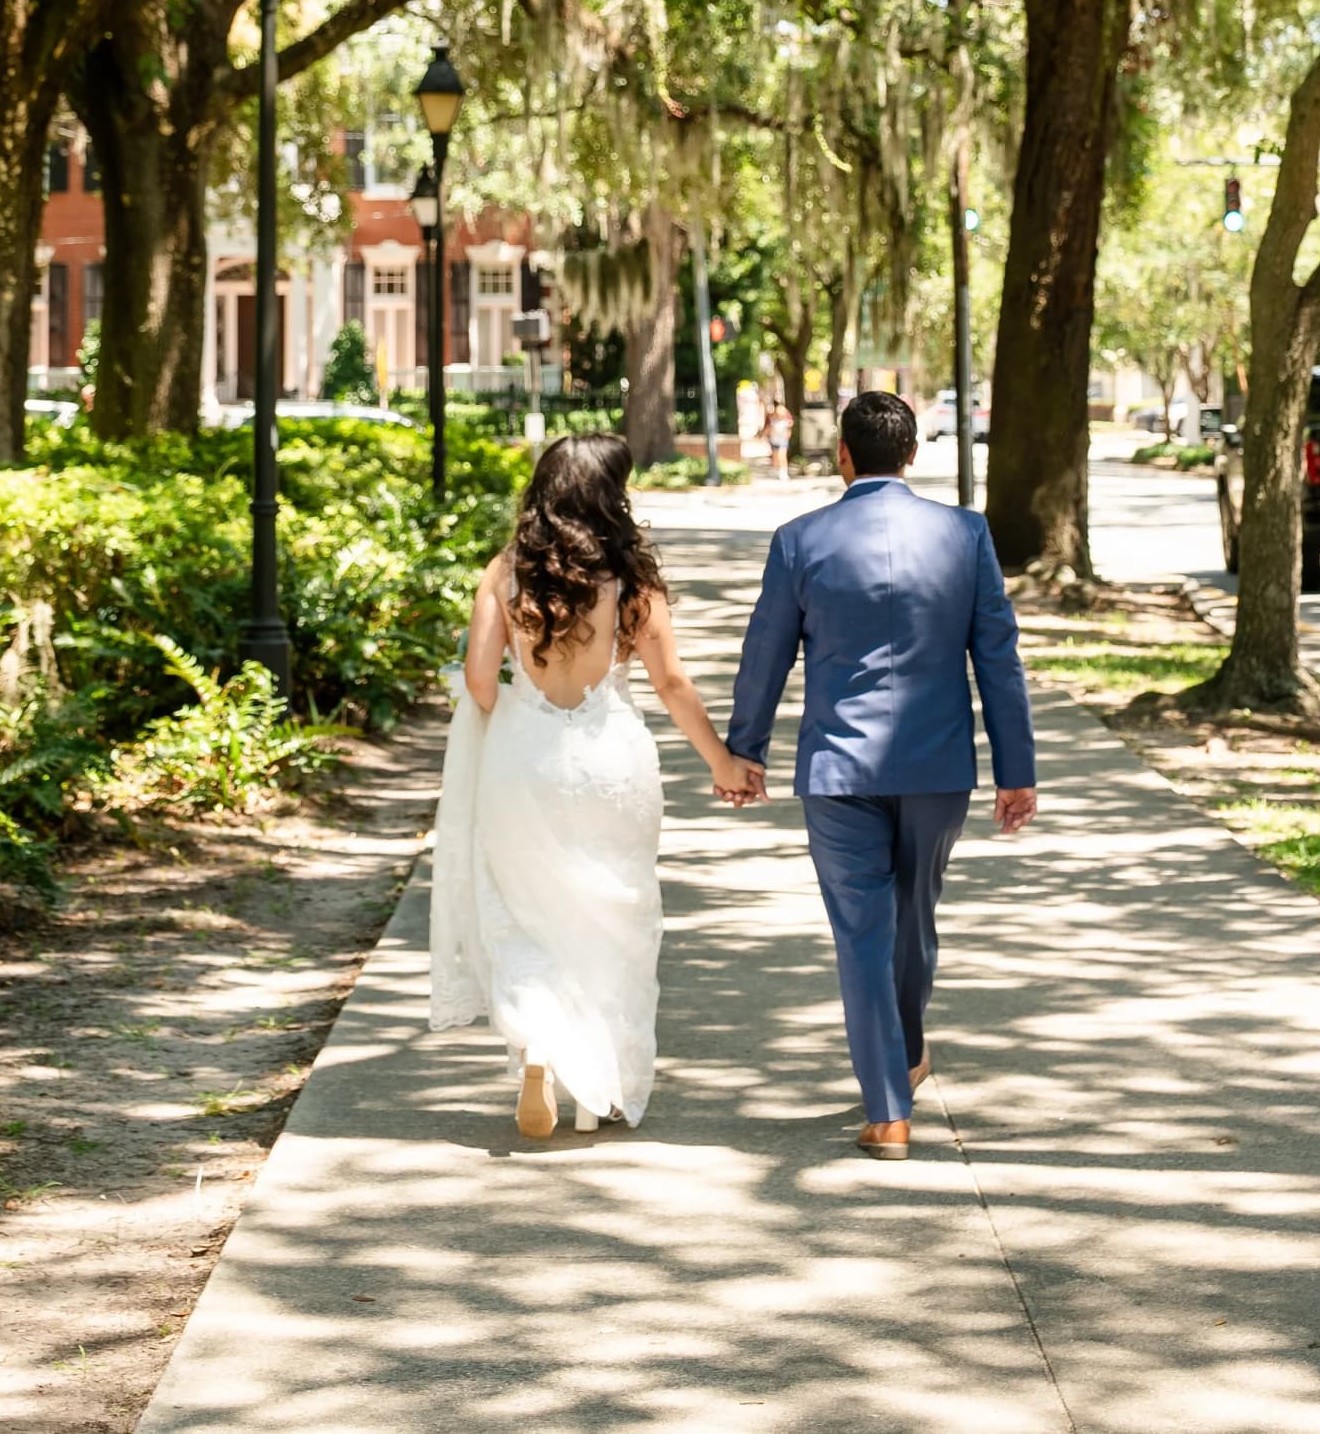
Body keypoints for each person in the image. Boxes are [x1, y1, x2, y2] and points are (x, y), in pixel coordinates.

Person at [724, 391, 1037, 1160]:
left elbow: (765, 654)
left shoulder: (801, 539)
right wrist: (1016, 766)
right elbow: (997, 656)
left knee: (866, 932)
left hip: (838, 767)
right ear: (912, 454)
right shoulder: (965, 534)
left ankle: (891, 1100)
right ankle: (894, 1079)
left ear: (843, 453)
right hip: (937, 767)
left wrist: (746, 748)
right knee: (914, 918)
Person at [429, 433, 757, 1137]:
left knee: (522, 914)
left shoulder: (503, 572)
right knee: (617, 918)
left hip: (524, 756)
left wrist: (520, 726)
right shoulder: (630, 578)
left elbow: (480, 681)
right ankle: (598, 1090)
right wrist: (722, 761)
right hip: (612, 757)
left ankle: (541, 1044)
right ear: (610, 495)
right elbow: (670, 682)